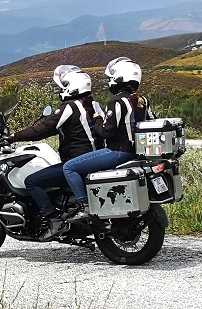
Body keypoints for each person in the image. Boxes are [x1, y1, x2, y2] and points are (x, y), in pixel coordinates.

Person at [7, 65, 105, 240]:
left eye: (64, 85)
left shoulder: (69, 107)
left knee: (32, 181)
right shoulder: (96, 106)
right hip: (98, 159)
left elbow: (44, 128)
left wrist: (14, 137)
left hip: (76, 162)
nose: (61, 89)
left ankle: (53, 220)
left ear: (72, 86)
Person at [61, 57, 155, 221]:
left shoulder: (117, 102)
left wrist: (97, 119)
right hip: (137, 152)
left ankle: (84, 207)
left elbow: (105, 132)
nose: (110, 82)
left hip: (118, 151)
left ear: (119, 78)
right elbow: (152, 123)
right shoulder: (143, 101)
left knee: (69, 167)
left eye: (111, 78)